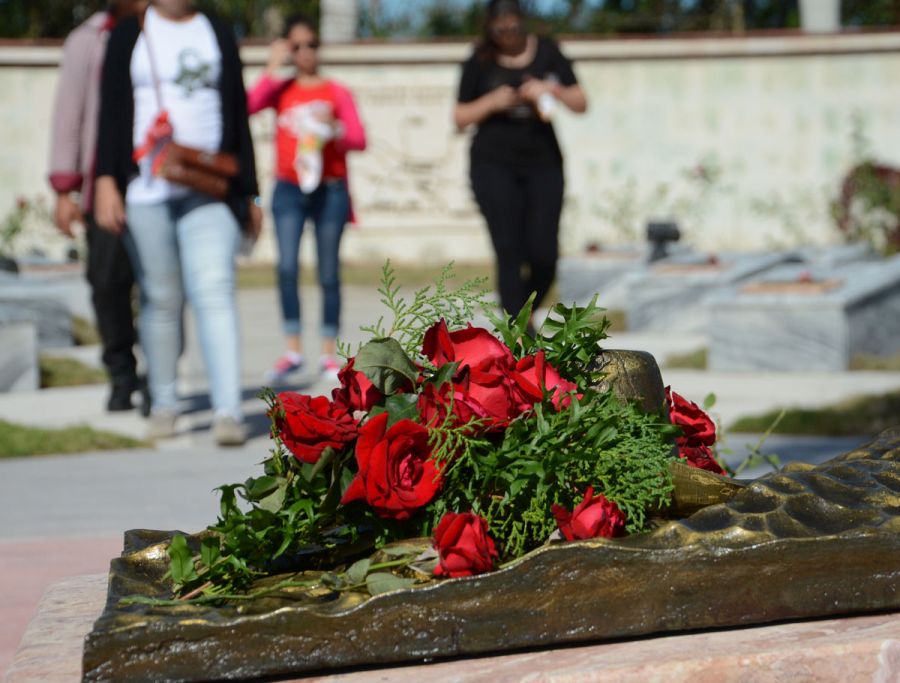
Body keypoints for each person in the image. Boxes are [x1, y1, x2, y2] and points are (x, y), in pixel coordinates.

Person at [94, 0, 261, 446]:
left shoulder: (216, 30)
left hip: (210, 190)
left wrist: (251, 192)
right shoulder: (129, 33)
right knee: (160, 297)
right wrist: (106, 180)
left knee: (215, 291)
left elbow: (238, 112)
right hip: (147, 190)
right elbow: (109, 111)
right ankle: (164, 403)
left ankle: (228, 411)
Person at [246, 13, 367, 382]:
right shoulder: (281, 90)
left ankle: (329, 353)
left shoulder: (336, 91)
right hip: (288, 189)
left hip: (329, 189)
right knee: (286, 267)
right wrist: (272, 65)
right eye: (295, 46)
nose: (304, 52)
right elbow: (249, 107)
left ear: (319, 47)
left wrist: (336, 130)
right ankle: (293, 350)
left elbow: (359, 139)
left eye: (310, 45)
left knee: (329, 271)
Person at [454, 0, 587, 322]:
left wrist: (549, 88)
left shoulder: (548, 52)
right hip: (492, 164)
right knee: (508, 248)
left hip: (543, 164)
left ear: (522, 21)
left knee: (544, 254)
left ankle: (523, 314)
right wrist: (493, 101)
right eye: (500, 28)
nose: (508, 34)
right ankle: (517, 334)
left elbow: (581, 102)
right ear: (490, 27)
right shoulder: (479, 60)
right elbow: (459, 117)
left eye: (513, 26)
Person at [48, 0, 148, 412]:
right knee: (106, 284)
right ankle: (121, 373)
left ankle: (159, 377)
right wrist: (64, 187)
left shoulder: (174, 32)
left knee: (163, 292)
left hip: (163, 183)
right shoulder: (87, 39)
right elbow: (69, 114)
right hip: (106, 186)